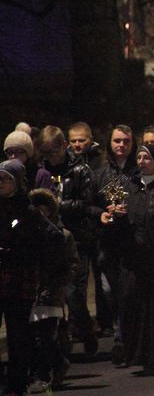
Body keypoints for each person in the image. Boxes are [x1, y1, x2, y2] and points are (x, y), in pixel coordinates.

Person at [101, 145, 154, 376]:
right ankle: (135, 354)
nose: (141, 160)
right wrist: (112, 216)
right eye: (138, 156)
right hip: (132, 256)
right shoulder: (129, 185)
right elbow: (121, 218)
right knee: (129, 302)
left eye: (146, 156)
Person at [0, 160, 66, 396]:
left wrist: (28, 255)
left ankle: (16, 384)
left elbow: (55, 239)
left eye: (7, 179)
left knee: (19, 336)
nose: (2, 184)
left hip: (19, 281)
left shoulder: (27, 210)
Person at [39, 126, 100, 357]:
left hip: (75, 237)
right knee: (54, 295)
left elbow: (86, 202)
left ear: (63, 146)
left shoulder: (79, 170)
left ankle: (85, 329)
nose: (51, 158)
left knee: (75, 292)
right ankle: (61, 343)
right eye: (46, 153)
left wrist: (56, 205)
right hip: (50, 238)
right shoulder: (43, 170)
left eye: (54, 152)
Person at [92, 124, 139, 364]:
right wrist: (101, 212)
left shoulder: (139, 171)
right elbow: (88, 204)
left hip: (131, 241)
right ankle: (121, 332)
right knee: (110, 291)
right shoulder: (99, 173)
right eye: (117, 141)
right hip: (108, 242)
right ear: (110, 143)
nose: (121, 145)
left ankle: (123, 340)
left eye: (126, 141)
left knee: (128, 293)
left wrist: (130, 209)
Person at [28, 188, 79, 392]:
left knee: (46, 336)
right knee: (33, 336)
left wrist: (58, 285)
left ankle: (45, 373)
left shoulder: (62, 235)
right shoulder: (26, 234)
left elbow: (72, 264)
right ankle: (55, 365)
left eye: (44, 209)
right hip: (31, 291)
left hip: (51, 291)